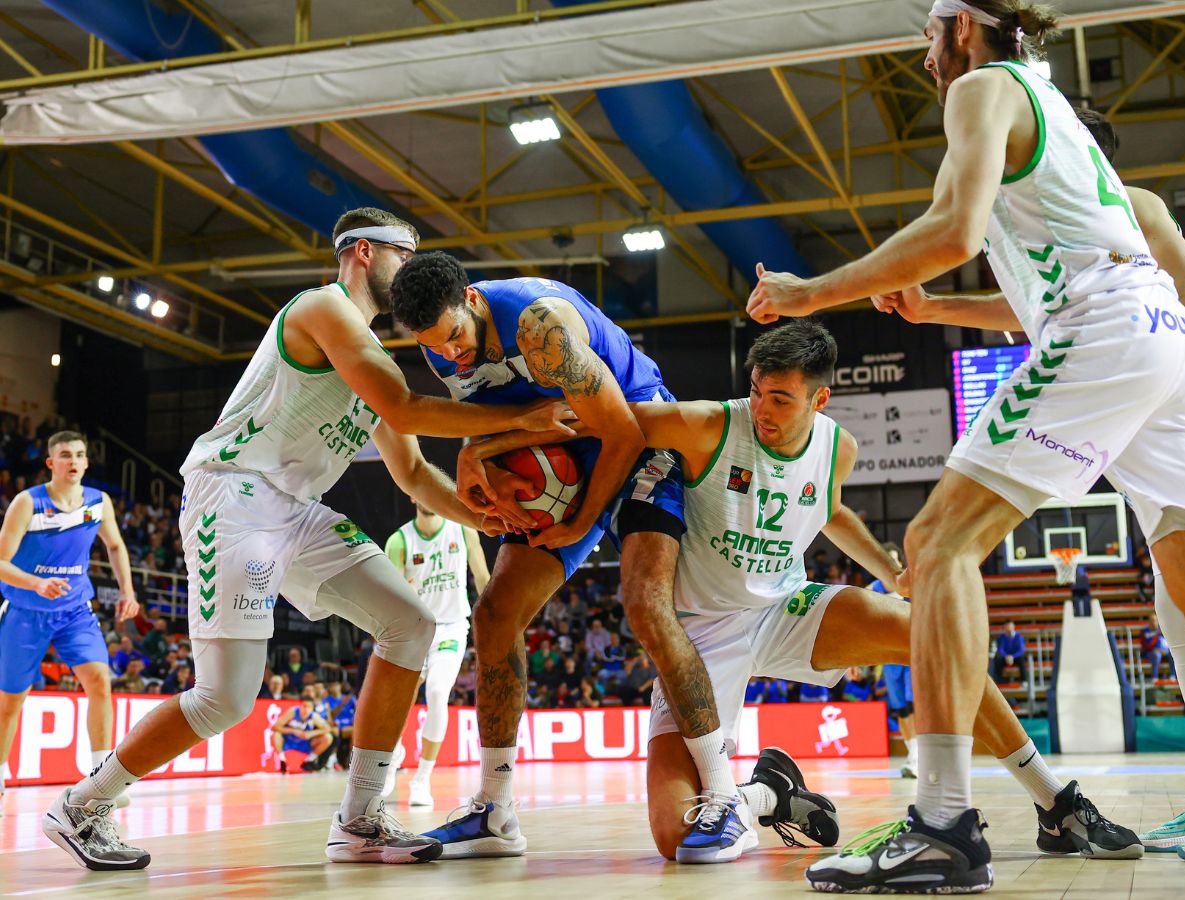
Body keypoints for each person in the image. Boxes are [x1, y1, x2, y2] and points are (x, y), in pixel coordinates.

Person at [745, 3, 1185, 891]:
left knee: (937, 543)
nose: (922, 56)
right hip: (1160, 334)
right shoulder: (1054, 105)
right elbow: (1049, 283)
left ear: (965, 26)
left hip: (1105, 326)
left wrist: (811, 294)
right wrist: (935, 306)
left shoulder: (984, 86)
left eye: (928, 32)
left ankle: (943, 822)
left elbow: (950, 232)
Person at [41, 207, 571, 872]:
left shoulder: (368, 354)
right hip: (234, 495)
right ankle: (84, 806)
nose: (410, 272)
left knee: (411, 623)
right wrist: (524, 413)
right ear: (362, 253)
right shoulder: (322, 309)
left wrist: (494, 522)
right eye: (403, 256)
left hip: (295, 510)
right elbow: (406, 408)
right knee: (227, 698)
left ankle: (358, 819)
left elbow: (412, 473)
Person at [625, 320, 1139, 866]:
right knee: (676, 839)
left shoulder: (837, 448)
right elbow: (614, 422)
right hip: (701, 634)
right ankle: (769, 794)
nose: (762, 409)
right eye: (756, 390)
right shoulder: (709, 425)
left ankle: (1054, 802)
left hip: (782, 608)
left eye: (780, 397)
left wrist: (890, 571)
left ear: (820, 398)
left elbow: (829, 509)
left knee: (927, 633)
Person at [879, 102, 1185, 859]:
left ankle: (943, 816)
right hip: (1144, 396)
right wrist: (932, 312)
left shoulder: (1130, 205)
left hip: (1159, 387)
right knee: (1180, 608)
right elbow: (1029, 309)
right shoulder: (1048, 229)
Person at [392, 253, 736, 859]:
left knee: (644, 604)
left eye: (453, 339)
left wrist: (580, 520)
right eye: (432, 348)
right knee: (495, 614)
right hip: (561, 449)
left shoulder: (539, 326)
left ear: (472, 300)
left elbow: (621, 432)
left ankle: (727, 795)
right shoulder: (439, 342)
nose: (448, 355)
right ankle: (494, 810)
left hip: (639, 435)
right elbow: (500, 416)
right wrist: (477, 456)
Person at [0, 431, 140, 814]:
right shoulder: (27, 503)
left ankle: (102, 779)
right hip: (26, 609)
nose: (74, 461)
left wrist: (127, 590)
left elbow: (114, 545)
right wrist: (37, 583)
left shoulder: (99, 502)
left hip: (75, 609)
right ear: (51, 463)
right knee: (11, 700)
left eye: (80, 454)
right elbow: (2, 562)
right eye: (65, 455)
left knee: (99, 680)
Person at [382, 500, 491, 806]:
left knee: (437, 692)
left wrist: (495, 618)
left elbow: (482, 577)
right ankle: (393, 755)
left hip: (451, 627)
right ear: (413, 497)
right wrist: (405, 592)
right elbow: (390, 596)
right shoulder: (399, 540)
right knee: (401, 700)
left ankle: (422, 779)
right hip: (414, 628)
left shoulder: (463, 529)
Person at [866, 542, 918, 778]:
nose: (893, 564)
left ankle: (918, 758)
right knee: (902, 711)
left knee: (915, 706)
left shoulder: (910, 584)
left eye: (896, 560)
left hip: (913, 654)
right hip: (888, 657)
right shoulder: (873, 589)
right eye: (888, 559)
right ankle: (914, 754)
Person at [272, 697, 333, 773]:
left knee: (328, 737)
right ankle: (282, 761)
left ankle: (308, 761)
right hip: (289, 741)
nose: (305, 709)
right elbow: (275, 726)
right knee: (276, 734)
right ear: (300, 706)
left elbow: (328, 728)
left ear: (311, 709)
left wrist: (311, 733)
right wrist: (293, 731)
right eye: (304, 706)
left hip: (304, 743)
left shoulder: (314, 717)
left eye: (308, 707)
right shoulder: (293, 712)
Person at [1141, 614, 1175, 681]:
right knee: (1157, 655)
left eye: (1156, 620)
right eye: (1153, 620)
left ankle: (1173, 676)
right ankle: (1154, 677)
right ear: (1149, 621)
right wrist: (1156, 634)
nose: (1155, 622)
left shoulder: (1162, 630)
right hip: (1150, 652)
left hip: (1164, 651)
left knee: (1173, 654)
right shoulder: (1144, 631)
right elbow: (1146, 645)